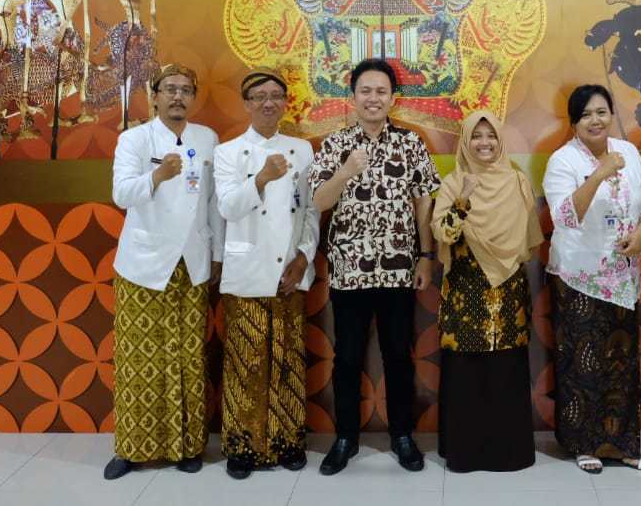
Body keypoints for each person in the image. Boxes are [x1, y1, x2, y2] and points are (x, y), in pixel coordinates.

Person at [309, 58, 441, 475]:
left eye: (381, 91)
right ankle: (345, 439)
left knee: (398, 355)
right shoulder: (335, 144)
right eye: (365, 90)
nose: (373, 98)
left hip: (399, 268)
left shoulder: (411, 143)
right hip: (349, 270)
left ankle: (403, 436)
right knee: (347, 357)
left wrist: (425, 256)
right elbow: (318, 202)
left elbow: (423, 201)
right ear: (353, 96)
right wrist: (346, 171)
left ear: (392, 98)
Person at [105, 64, 222, 480]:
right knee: (139, 357)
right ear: (154, 96)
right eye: (170, 89)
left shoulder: (207, 138)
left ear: (193, 98)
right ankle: (131, 449)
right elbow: (121, 194)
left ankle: (187, 446)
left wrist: (217, 256)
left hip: (191, 263)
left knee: (188, 356)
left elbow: (213, 203)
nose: (178, 97)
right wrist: (157, 175)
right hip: (144, 265)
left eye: (186, 90)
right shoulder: (134, 139)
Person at [542, 84, 641, 474]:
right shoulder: (563, 160)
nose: (595, 120)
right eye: (586, 115)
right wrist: (598, 174)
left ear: (611, 115)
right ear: (574, 122)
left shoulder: (628, 152)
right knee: (583, 363)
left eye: (602, 112)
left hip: (623, 278)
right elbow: (564, 217)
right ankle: (584, 443)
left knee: (621, 363)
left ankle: (621, 444)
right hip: (579, 277)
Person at [214, 67, 319, 480]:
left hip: (289, 270)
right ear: (246, 104)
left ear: (285, 102)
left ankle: (288, 441)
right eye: (259, 96)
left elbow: (310, 210)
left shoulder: (302, 149)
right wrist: (260, 179)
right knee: (247, 360)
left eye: (276, 95)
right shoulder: (228, 152)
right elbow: (227, 207)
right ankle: (242, 446)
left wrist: (304, 257)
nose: (269, 103)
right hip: (248, 270)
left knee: (288, 357)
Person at [431, 110, 543, 473]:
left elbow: (528, 240)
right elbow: (444, 232)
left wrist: (503, 256)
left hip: (508, 289)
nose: (484, 143)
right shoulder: (454, 182)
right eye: (476, 136)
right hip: (465, 291)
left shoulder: (516, 180)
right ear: (466, 142)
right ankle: (466, 452)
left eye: (490, 135)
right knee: (466, 371)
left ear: (500, 140)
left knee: (506, 368)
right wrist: (463, 200)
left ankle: (509, 453)